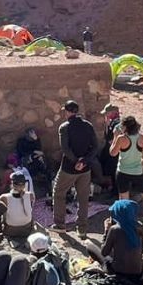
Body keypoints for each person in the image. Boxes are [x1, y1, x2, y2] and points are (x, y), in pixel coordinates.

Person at [53, 99, 97, 235]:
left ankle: (60, 225)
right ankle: (82, 228)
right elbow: (95, 146)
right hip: (85, 168)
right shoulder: (88, 126)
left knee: (59, 193)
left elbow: (65, 148)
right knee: (83, 197)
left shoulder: (64, 127)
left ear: (67, 112)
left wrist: (76, 161)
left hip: (69, 168)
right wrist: (84, 161)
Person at [87, 199, 143, 277]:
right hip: (138, 273)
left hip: (117, 272)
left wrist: (106, 231)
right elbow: (142, 249)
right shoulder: (139, 227)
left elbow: (104, 252)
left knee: (89, 245)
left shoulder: (115, 229)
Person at [108, 115, 143, 202]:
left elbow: (113, 153)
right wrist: (140, 167)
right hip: (137, 170)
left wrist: (115, 137)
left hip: (123, 170)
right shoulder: (142, 138)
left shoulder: (121, 138)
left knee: (123, 197)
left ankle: (126, 213)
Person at [0, 171, 38, 240]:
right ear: (24, 184)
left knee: (1, 210)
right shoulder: (30, 195)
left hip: (10, 231)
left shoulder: (4, 197)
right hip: (26, 230)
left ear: (12, 183)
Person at [99, 103, 122, 195]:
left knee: (114, 170)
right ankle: (114, 189)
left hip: (116, 150)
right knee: (112, 170)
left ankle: (116, 191)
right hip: (113, 150)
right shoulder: (112, 123)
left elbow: (111, 137)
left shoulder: (117, 124)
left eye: (107, 113)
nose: (106, 115)